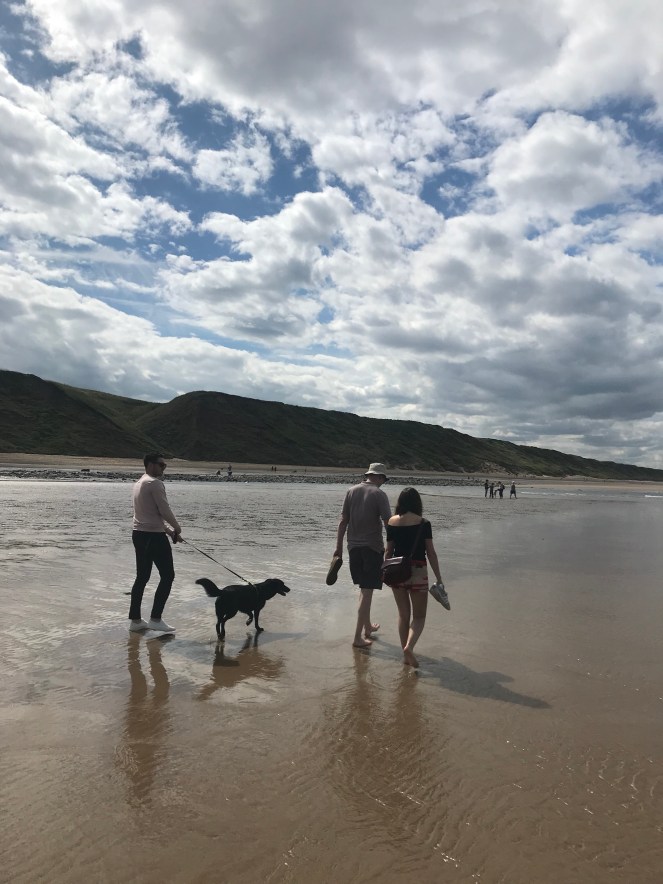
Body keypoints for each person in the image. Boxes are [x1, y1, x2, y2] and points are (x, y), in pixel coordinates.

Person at [333, 462, 392, 649]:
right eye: (383, 479)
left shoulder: (351, 491)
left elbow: (343, 521)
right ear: (380, 477)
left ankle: (367, 627)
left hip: (353, 548)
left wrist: (338, 548)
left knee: (364, 589)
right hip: (372, 548)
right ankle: (357, 638)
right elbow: (387, 524)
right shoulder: (379, 494)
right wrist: (392, 549)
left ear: (368, 474)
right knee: (367, 592)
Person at [385, 487, 444, 668]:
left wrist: (385, 570)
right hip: (418, 571)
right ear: (418, 503)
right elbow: (431, 553)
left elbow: (388, 550)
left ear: (400, 503)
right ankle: (409, 647)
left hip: (397, 571)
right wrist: (439, 577)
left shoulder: (392, 522)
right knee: (419, 616)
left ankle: (405, 656)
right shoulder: (423, 523)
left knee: (403, 615)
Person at [128, 453, 183, 633]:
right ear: (150, 465)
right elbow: (164, 510)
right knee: (168, 576)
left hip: (139, 534)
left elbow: (148, 514)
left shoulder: (139, 483)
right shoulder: (155, 483)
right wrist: (177, 528)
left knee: (142, 577)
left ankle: (135, 621)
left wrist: (169, 531)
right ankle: (155, 619)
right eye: (161, 465)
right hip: (153, 537)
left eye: (164, 465)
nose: (163, 468)